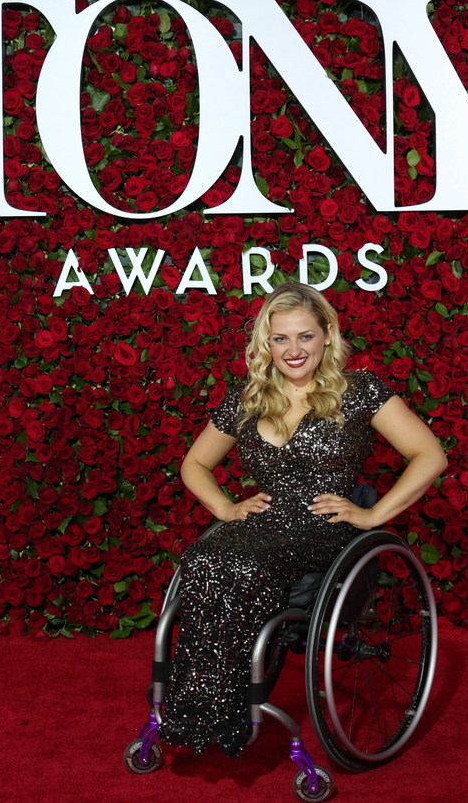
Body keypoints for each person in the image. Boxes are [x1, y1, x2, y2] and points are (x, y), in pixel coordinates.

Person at [157, 281, 447, 758]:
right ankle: (197, 706)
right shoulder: (248, 398)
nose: (293, 350)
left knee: (246, 568)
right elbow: (194, 464)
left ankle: (225, 710)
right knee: (203, 560)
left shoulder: (359, 392)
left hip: (322, 525)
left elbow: (429, 455)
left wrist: (373, 514)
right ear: (265, 344)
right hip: (261, 520)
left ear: (328, 334)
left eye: (305, 336)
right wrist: (226, 508)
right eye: (280, 339)